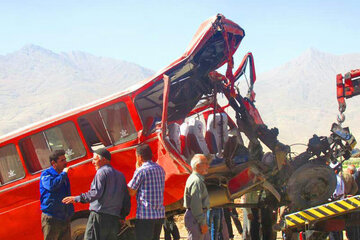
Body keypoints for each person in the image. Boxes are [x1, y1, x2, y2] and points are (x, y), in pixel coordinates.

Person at [62, 148, 131, 240]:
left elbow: (95, 193)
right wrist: (123, 215)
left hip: (99, 216)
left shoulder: (101, 172)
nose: (92, 162)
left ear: (104, 160)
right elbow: (126, 198)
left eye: (95, 159)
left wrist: (77, 198)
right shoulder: (120, 175)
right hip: (114, 217)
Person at [128, 144, 166, 240]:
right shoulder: (160, 169)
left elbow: (131, 191)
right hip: (159, 214)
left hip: (145, 215)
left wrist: (136, 169)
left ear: (139, 157)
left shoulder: (141, 171)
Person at [40, 149, 74, 240]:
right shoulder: (46, 175)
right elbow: (52, 186)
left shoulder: (63, 175)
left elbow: (67, 193)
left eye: (65, 159)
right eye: (62, 160)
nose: (65, 162)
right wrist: (63, 174)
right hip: (52, 217)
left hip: (64, 217)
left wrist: (70, 212)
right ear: (54, 163)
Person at [183, 154, 210, 240]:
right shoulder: (196, 181)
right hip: (196, 218)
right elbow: (196, 205)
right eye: (205, 163)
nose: (208, 166)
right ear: (198, 166)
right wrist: (202, 223)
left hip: (196, 217)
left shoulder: (196, 179)